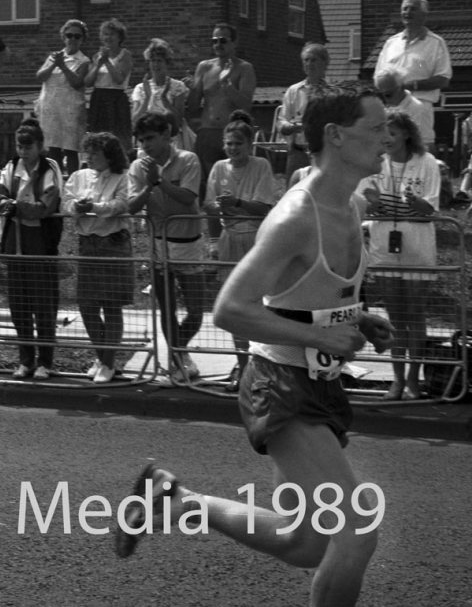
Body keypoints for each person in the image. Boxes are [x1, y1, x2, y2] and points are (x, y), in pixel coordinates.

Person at [117, 84, 395, 607]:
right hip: (281, 387)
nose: (389, 137)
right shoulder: (296, 217)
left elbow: (306, 295)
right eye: (376, 127)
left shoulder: (352, 204)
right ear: (335, 136)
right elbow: (231, 308)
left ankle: (174, 500)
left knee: (305, 543)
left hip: (321, 386)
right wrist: (319, 336)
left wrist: (359, 316)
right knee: (358, 529)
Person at [358, 109, 439, 401]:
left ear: (406, 133)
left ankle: (414, 381)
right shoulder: (374, 162)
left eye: (392, 133)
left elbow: (431, 209)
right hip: (384, 248)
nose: (387, 139)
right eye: (383, 133)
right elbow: (365, 206)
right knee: (395, 316)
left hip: (417, 248)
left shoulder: (427, 162)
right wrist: (376, 204)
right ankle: (396, 380)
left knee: (415, 315)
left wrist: (416, 203)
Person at [127, 112, 206, 384]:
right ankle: (178, 360)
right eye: (141, 140)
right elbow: (131, 206)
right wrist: (149, 187)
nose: (146, 144)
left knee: (196, 310)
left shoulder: (188, 159)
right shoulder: (139, 166)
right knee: (167, 308)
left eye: (150, 138)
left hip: (189, 242)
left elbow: (188, 198)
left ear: (166, 135)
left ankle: (178, 350)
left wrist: (160, 181)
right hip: (159, 246)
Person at [204, 111, 281, 391]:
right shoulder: (218, 167)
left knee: (259, 303)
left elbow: (263, 206)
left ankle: (264, 366)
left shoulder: (261, 165)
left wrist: (238, 202)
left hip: (254, 238)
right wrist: (220, 212)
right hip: (229, 238)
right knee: (234, 304)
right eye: (228, 143)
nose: (232, 148)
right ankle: (241, 364)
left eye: (238, 143)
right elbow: (208, 205)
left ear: (249, 145)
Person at [62, 132, 132, 383]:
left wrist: (95, 208)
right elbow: (66, 201)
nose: (89, 157)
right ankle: (103, 356)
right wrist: (76, 207)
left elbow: (122, 205)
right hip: (88, 245)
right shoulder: (79, 176)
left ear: (109, 155)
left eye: (95, 153)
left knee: (111, 305)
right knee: (87, 305)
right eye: (87, 152)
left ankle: (108, 362)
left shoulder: (122, 177)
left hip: (113, 244)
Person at [0, 119, 62, 380]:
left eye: (28, 146)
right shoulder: (11, 166)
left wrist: (16, 207)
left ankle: (46, 361)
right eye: (19, 146)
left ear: (40, 146)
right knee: (18, 303)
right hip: (15, 240)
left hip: (41, 241)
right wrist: (9, 204)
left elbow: (45, 206)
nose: (23, 151)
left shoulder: (50, 168)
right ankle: (26, 360)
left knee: (43, 303)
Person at [187, 23, 257, 203]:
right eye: (214, 40)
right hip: (207, 133)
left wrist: (228, 87)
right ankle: (212, 228)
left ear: (234, 43)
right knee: (209, 188)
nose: (218, 44)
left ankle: (236, 224)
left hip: (234, 135)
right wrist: (198, 126)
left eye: (223, 40)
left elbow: (246, 105)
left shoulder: (244, 68)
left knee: (235, 185)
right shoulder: (204, 67)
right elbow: (193, 105)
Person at [374, 0, 451, 107]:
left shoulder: (436, 43)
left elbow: (443, 79)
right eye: (405, 9)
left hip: (420, 104)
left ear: (424, 15)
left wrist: (411, 85)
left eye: (413, 9)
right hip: (392, 106)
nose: (407, 13)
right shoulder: (391, 43)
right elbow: (378, 77)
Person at [36, 19, 90, 176]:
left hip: (70, 112)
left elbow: (77, 83)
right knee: (53, 149)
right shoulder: (54, 56)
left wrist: (63, 66)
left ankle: (73, 183)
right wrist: (54, 63)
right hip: (51, 109)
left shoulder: (84, 61)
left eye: (77, 36)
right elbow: (40, 76)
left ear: (82, 39)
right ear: (63, 37)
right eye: (69, 35)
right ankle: (56, 182)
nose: (72, 39)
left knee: (70, 149)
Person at [279, 42, 329, 182]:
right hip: (298, 152)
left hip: (323, 153)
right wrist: (290, 126)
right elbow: (282, 121)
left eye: (314, 59)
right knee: (292, 195)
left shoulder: (332, 92)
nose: (309, 63)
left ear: (325, 63)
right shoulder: (293, 91)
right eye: (306, 60)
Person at [131, 38, 192, 151]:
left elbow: (178, 121)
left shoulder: (178, 86)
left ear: (166, 62)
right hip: (147, 140)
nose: (155, 64)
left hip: (171, 140)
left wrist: (165, 100)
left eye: (159, 60)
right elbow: (135, 120)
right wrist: (147, 97)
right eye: (152, 60)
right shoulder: (141, 88)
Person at [85, 19, 134, 152]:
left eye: (112, 34)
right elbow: (88, 82)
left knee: (118, 139)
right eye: (105, 34)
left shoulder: (125, 55)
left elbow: (119, 79)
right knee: (98, 139)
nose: (108, 37)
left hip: (116, 99)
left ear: (119, 37)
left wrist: (106, 62)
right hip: (98, 98)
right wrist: (98, 65)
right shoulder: (97, 56)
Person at [373, 66, 434, 151]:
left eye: (388, 94)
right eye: (379, 95)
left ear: (401, 87)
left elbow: (426, 144)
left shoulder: (418, 109)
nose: (384, 99)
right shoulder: (379, 109)